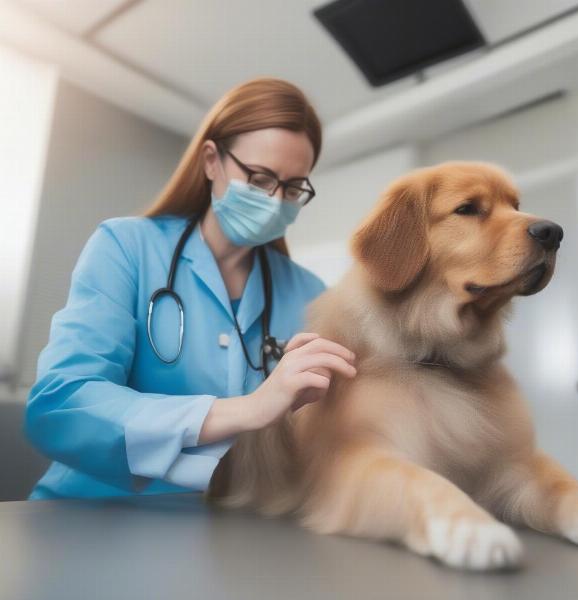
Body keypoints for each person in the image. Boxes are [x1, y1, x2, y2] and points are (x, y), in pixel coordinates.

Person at [23, 77, 357, 500]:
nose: (275, 201)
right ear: (212, 161)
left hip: (226, 530)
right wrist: (248, 409)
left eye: (292, 188)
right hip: (90, 516)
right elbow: (61, 406)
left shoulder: (311, 296)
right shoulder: (126, 246)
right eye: (258, 179)